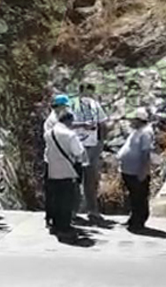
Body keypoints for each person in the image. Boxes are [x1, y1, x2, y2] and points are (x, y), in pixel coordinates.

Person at [44, 110, 85, 237]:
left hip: (52, 170)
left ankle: (55, 224)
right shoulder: (70, 135)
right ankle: (64, 226)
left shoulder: (48, 133)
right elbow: (78, 152)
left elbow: (47, 152)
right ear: (69, 121)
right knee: (66, 200)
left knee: (55, 199)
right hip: (67, 171)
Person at [72, 83, 109, 222]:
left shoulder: (95, 105)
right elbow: (65, 124)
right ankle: (72, 211)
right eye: (86, 93)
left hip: (92, 148)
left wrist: (101, 143)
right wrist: (82, 125)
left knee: (91, 180)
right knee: (75, 180)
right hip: (75, 147)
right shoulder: (71, 105)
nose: (89, 96)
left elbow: (103, 124)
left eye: (91, 94)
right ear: (80, 92)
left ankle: (92, 211)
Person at [117, 107, 154, 232]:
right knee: (133, 196)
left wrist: (143, 170)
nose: (131, 122)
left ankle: (139, 221)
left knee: (139, 196)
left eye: (133, 120)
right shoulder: (137, 131)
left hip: (137, 171)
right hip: (129, 170)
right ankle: (133, 219)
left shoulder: (146, 132)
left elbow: (146, 153)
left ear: (139, 120)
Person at [44, 94, 71, 227]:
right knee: (56, 191)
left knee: (54, 191)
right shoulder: (54, 121)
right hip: (55, 161)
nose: (66, 109)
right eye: (65, 107)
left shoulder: (55, 119)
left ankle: (53, 216)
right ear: (59, 107)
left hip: (54, 159)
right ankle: (54, 217)